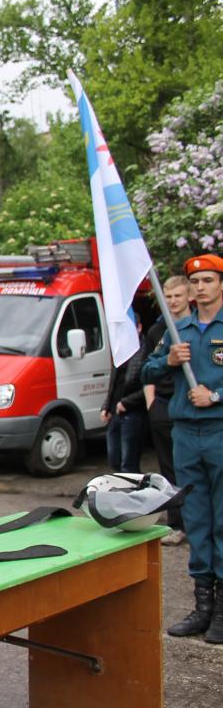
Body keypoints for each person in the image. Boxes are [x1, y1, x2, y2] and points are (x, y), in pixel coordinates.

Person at [141, 254, 223, 644]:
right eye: (197, 281)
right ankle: (202, 606)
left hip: (220, 431)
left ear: (220, 284)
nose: (202, 287)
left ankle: (221, 610)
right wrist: (170, 360)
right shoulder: (178, 330)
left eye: (209, 279)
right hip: (186, 434)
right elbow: (146, 370)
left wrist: (217, 395)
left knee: (222, 521)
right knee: (196, 521)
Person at [144, 275, 191, 546]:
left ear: (189, 297)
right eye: (168, 296)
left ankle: (199, 524)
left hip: (191, 407)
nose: (172, 301)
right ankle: (177, 525)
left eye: (177, 296)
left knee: (195, 470)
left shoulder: (200, 327)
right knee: (169, 471)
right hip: (163, 407)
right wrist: (151, 405)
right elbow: (146, 370)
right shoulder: (157, 331)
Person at [101, 322, 147, 473]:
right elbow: (113, 382)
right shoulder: (119, 349)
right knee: (114, 458)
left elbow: (148, 386)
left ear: (139, 327)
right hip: (115, 412)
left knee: (129, 463)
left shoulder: (145, 350)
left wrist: (127, 402)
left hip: (133, 412)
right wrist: (106, 406)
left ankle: (132, 494)